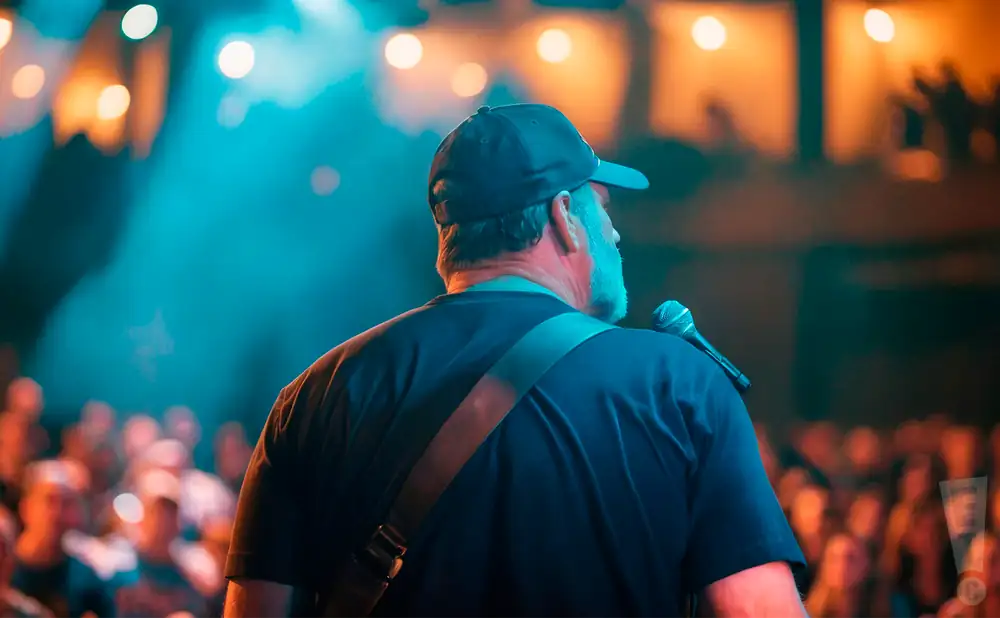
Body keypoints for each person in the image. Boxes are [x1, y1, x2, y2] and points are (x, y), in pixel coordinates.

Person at [223, 103, 806, 618]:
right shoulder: (678, 385)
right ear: (563, 218)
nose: (616, 235)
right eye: (602, 209)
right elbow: (754, 608)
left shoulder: (315, 396)